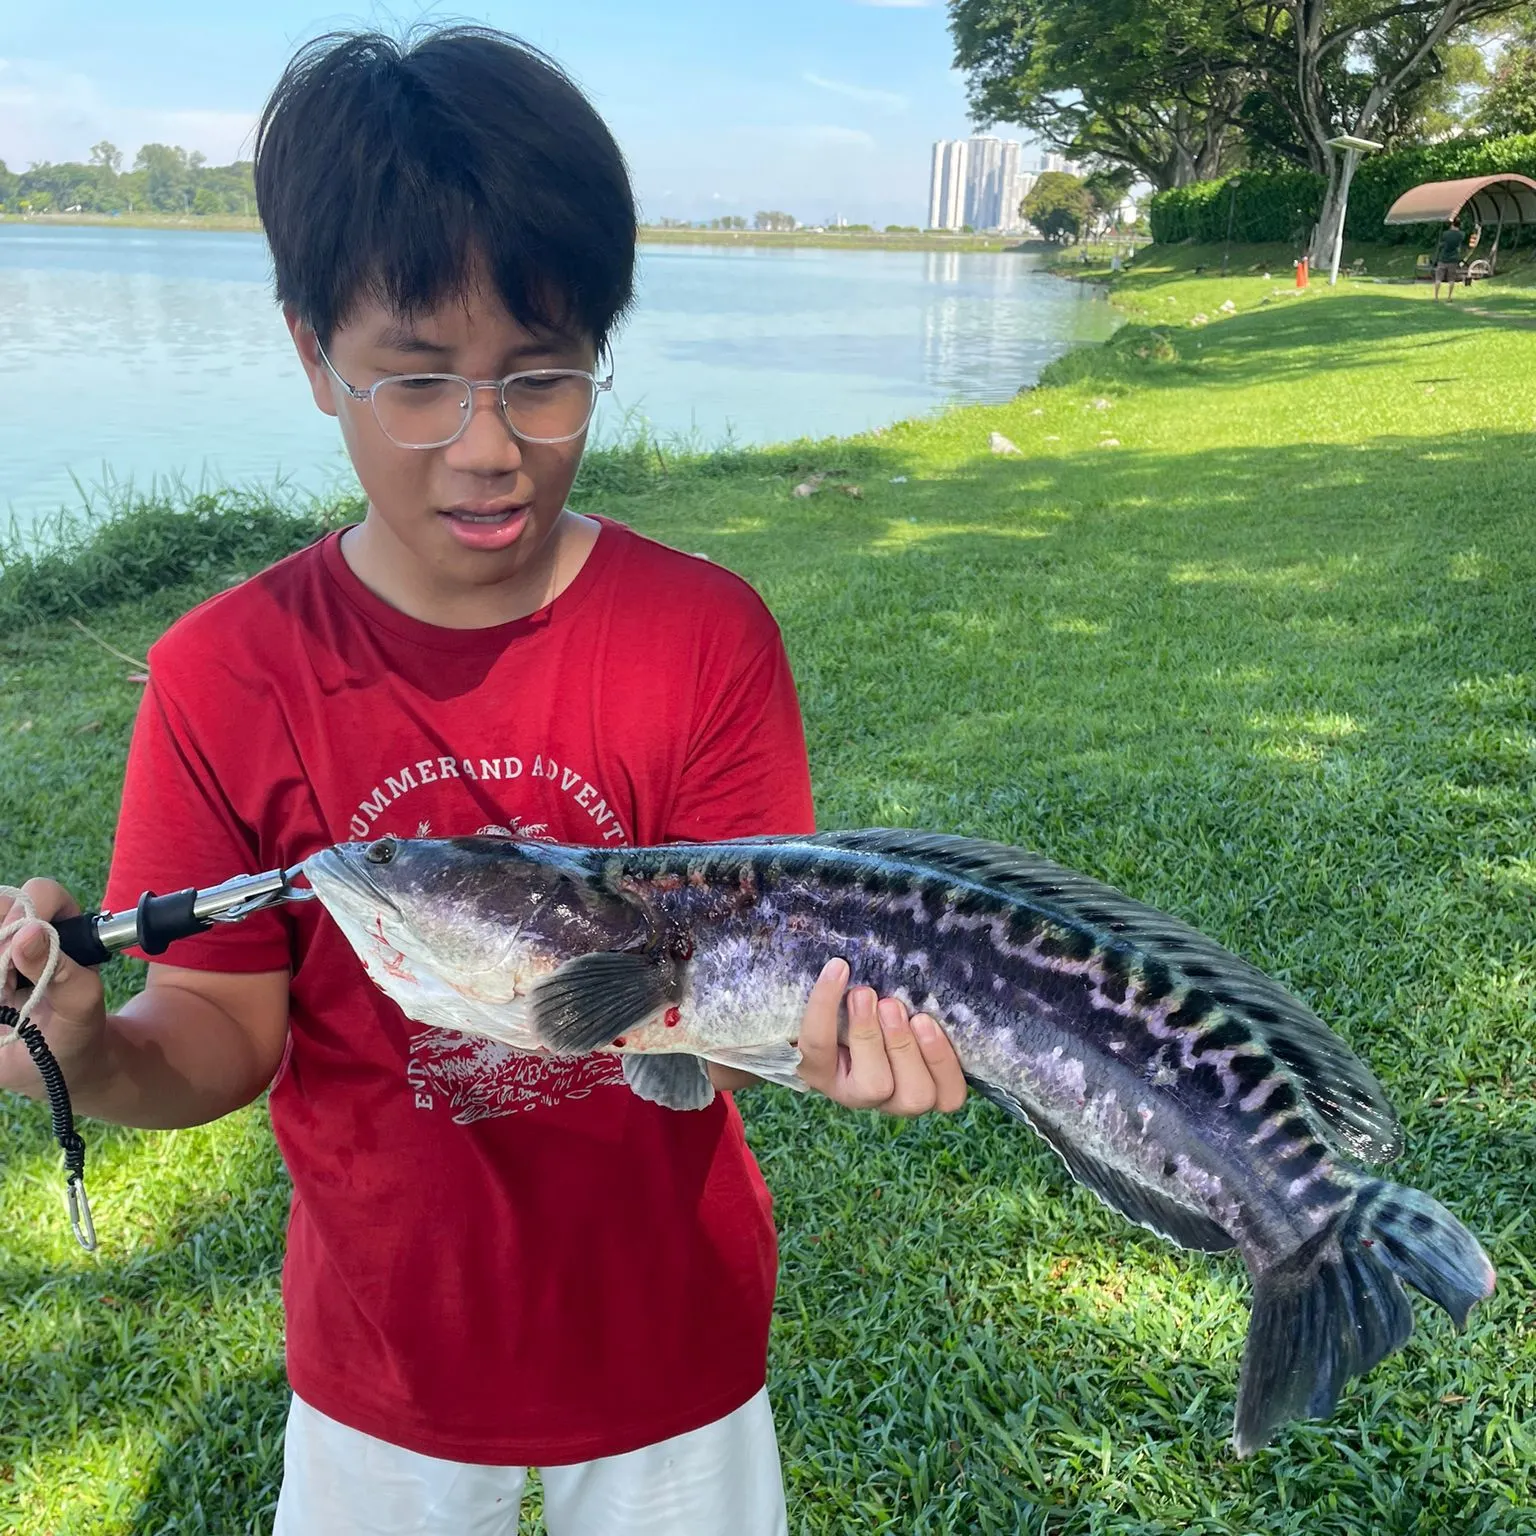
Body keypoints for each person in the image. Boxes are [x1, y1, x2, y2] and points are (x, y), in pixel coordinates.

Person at [0, 26, 968, 1536]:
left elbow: (732, 995)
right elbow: (215, 1029)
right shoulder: (224, 671)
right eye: (418, 383)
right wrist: (87, 1045)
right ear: (311, 353)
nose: (490, 449)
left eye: (543, 378)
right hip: (382, 1368)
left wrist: (827, 1047)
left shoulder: (700, 636)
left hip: (676, 1351)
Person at [1433, 217, 1465, 301]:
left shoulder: (1445, 234)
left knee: (1438, 278)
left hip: (1443, 259)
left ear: (1452, 224)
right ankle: (1449, 297)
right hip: (1453, 259)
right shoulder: (1461, 235)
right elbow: (1458, 245)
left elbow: (1443, 243)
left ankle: (1436, 297)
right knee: (1451, 279)